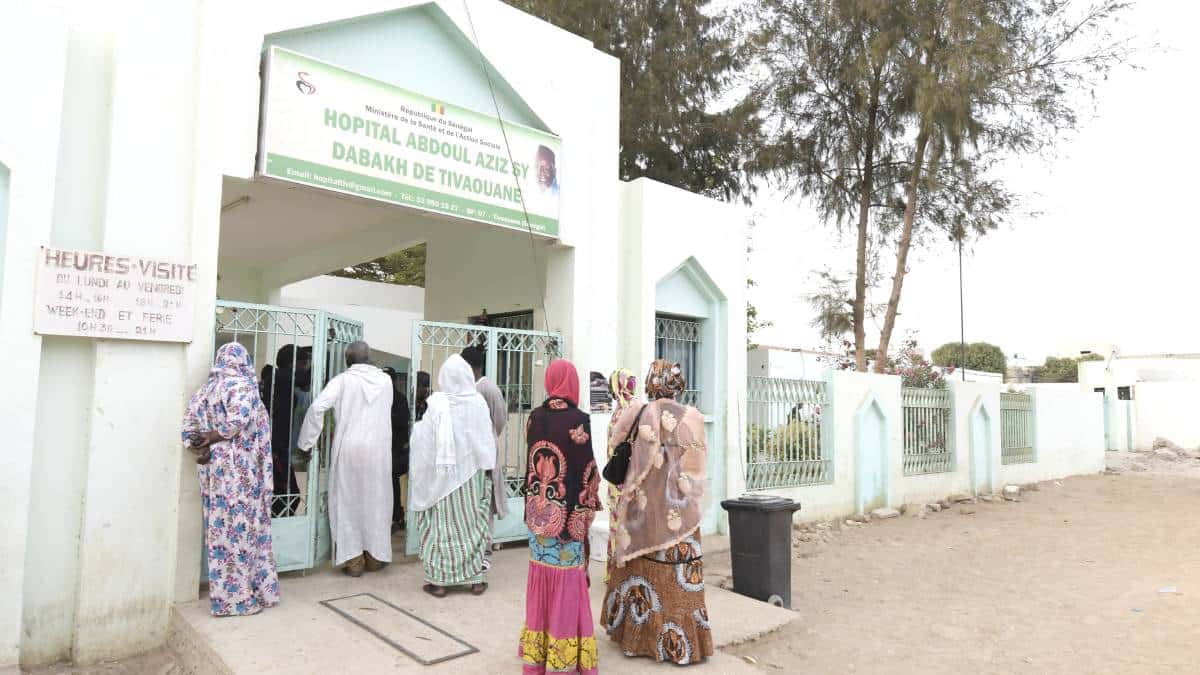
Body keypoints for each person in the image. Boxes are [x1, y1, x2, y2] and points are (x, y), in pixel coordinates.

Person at [602, 360, 712, 666]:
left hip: (644, 514)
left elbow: (614, 445)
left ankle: (635, 639)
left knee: (640, 572)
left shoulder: (639, 412)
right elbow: (697, 471)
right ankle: (681, 644)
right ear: (679, 384)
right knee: (677, 579)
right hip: (680, 514)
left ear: (651, 382)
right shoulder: (693, 417)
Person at [181, 342, 280, 616]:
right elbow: (238, 419)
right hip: (240, 471)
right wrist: (214, 436)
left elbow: (189, 429)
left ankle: (229, 594)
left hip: (213, 469)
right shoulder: (242, 387)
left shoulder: (205, 391)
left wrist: (199, 447)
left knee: (220, 532)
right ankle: (239, 599)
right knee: (242, 530)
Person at [518, 359, 600, 675]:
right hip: (567, 522)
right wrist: (590, 502)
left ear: (550, 382)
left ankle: (538, 656)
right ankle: (563, 659)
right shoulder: (580, 420)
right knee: (567, 582)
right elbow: (589, 472)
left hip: (538, 518)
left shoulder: (534, 417)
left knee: (540, 577)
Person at [296, 341, 393, 577]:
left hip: (349, 449)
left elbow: (318, 407)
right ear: (368, 358)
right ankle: (374, 555)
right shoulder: (386, 381)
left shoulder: (342, 381)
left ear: (348, 360)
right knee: (376, 500)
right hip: (378, 450)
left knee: (348, 501)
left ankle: (353, 560)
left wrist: (306, 443)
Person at [408, 354, 496, 597]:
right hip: (472, 476)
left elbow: (423, 440)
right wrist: (487, 468)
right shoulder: (478, 402)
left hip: (441, 478)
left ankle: (439, 582)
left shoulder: (437, 403)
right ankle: (475, 579)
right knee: (473, 526)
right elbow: (486, 439)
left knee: (443, 527)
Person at [460, 345, 508, 569]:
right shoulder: (465, 388)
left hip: (485, 457)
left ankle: (485, 553)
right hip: (468, 457)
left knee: (485, 504)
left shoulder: (488, 389)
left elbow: (499, 420)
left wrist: (487, 440)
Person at [604, 368, 640, 584]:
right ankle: (631, 572)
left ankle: (616, 574)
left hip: (618, 479)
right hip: (634, 478)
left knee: (617, 524)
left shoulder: (620, 413)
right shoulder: (639, 408)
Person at [269, 345, 309, 516]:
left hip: (280, 447)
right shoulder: (280, 377)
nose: (305, 368)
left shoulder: (279, 379)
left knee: (284, 495)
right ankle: (277, 530)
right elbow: (306, 378)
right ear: (293, 364)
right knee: (288, 495)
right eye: (302, 364)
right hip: (276, 448)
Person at [382, 367, 411, 532]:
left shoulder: (399, 399)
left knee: (391, 477)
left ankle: (396, 515)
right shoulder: (378, 397)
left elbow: (402, 421)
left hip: (397, 450)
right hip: (381, 449)